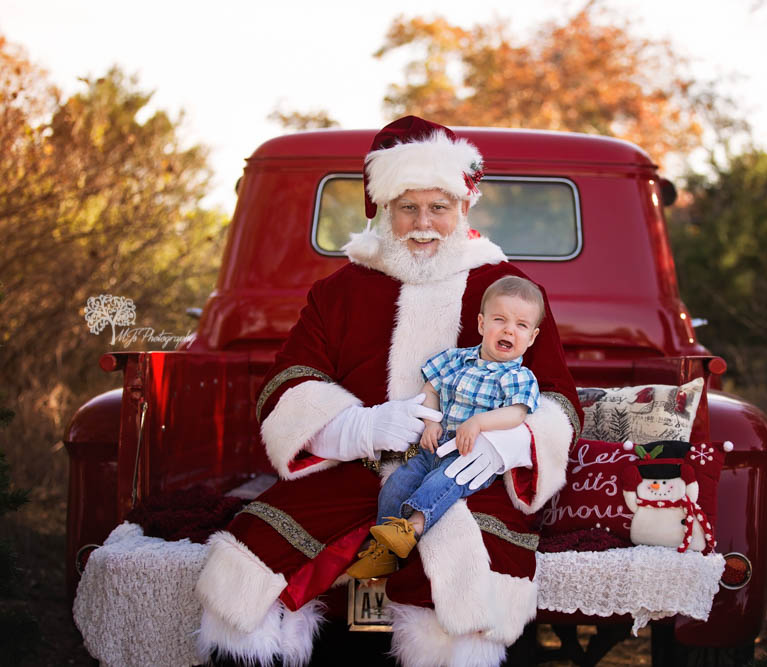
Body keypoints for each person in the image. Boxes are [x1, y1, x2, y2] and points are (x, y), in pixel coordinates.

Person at [193, 115, 583, 667]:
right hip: (354, 470)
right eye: (408, 208)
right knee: (253, 567)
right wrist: (361, 427)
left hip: (468, 478)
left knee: (467, 591)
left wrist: (504, 444)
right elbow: (287, 383)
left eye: (438, 207)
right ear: (381, 209)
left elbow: (558, 402)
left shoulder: (507, 290)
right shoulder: (337, 292)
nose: (424, 224)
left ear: (463, 206)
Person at [346, 276, 544, 579]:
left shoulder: (518, 377)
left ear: (531, 337)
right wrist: (430, 422)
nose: (508, 330)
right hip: (435, 443)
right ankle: (383, 547)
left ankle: (413, 527)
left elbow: (516, 413)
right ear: (481, 324)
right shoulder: (455, 360)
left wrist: (478, 423)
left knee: (443, 481)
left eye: (521, 325)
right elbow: (431, 388)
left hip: (471, 453)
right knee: (399, 481)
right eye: (499, 320)